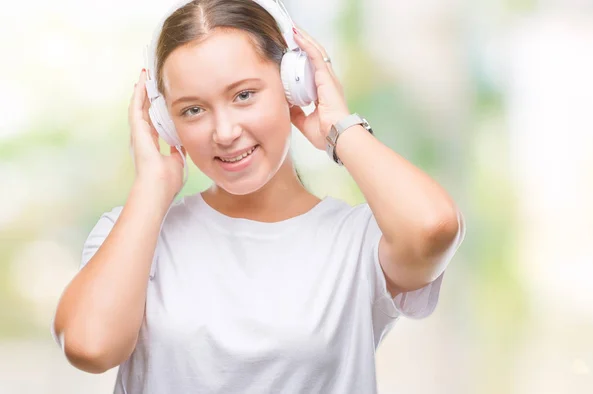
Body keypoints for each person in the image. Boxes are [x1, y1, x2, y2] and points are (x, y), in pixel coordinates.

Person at [51, 0, 466, 393]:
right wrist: (151, 188)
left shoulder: (358, 242)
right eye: (193, 110)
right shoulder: (132, 236)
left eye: (244, 95)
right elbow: (89, 346)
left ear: (293, 84)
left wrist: (339, 129)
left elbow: (434, 227)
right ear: (165, 121)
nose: (225, 131)